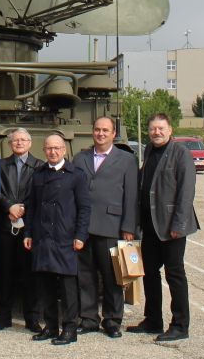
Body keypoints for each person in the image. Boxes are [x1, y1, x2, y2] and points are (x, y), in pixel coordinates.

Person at [126, 113, 199, 342]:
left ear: (170, 130)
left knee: (174, 274)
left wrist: (179, 224)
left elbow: (186, 191)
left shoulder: (181, 153)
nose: (156, 132)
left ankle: (180, 325)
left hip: (171, 226)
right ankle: (153, 320)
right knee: (149, 273)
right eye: (153, 129)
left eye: (161, 128)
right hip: (150, 225)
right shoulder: (149, 150)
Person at [73, 117, 138, 338]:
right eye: (97, 130)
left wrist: (129, 226)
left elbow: (131, 195)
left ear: (113, 133)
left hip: (112, 225)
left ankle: (112, 320)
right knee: (85, 276)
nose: (100, 134)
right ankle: (89, 319)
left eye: (105, 130)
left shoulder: (127, 160)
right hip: (83, 227)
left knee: (112, 277)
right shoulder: (80, 158)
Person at [23, 132, 90, 346]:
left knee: (68, 287)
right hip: (42, 237)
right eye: (49, 148)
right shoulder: (38, 174)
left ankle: (70, 328)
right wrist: (28, 233)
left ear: (64, 150)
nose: (53, 152)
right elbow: (32, 207)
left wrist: (80, 235)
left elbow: (84, 208)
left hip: (65, 237)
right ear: (44, 150)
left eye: (57, 148)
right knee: (46, 286)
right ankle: (51, 327)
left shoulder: (76, 175)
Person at [0, 128, 44, 332]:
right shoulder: (0, 165)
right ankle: (4, 317)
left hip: (29, 228)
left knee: (30, 275)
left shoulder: (39, 166)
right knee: (3, 273)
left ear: (30, 143)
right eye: (15, 140)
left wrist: (23, 208)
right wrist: (9, 207)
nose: (19, 143)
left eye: (23, 140)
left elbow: (41, 193)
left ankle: (32, 318)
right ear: (9, 144)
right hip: (5, 226)